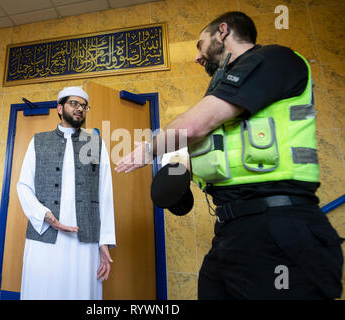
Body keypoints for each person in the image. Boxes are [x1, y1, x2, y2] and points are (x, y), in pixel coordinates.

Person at [115, 12, 344, 299]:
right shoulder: (227, 92)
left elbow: (193, 126)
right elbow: (214, 150)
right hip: (232, 230)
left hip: (277, 226)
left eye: (200, 45)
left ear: (223, 31)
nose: (198, 57)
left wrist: (149, 149)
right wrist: (182, 169)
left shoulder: (273, 60)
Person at [17, 86, 116, 300]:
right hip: (44, 233)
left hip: (85, 239)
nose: (80, 109)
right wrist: (45, 216)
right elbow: (23, 185)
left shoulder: (96, 144)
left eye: (83, 106)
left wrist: (104, 241)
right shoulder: (38, 141)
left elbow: (105, 194)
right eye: (74, 104)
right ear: (59, 108)